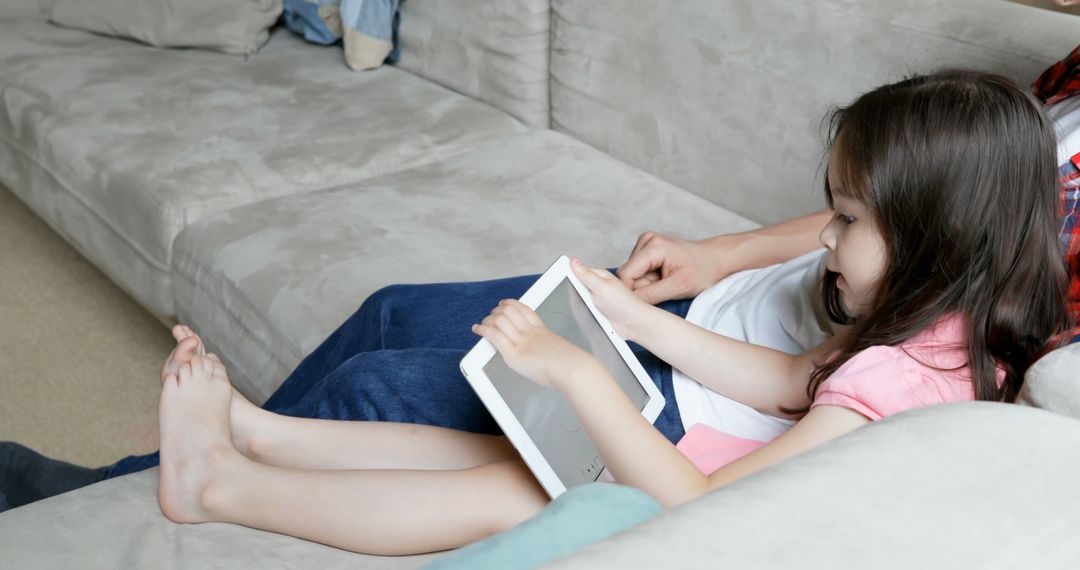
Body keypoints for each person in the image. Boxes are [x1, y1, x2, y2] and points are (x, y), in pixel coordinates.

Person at [95, 69, 1066, 556]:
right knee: (501, 438)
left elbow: (710, 506)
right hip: (703, 464)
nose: (821, 237)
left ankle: (221, 488)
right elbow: (786, 380)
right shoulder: (941, 329)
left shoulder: (901, 375)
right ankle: (257, 432)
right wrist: (637, 322)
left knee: (519, 485)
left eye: (846, 220)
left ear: (936, 237)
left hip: (697, 507)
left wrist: (580, 374)